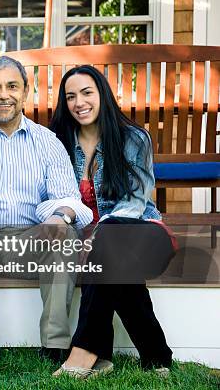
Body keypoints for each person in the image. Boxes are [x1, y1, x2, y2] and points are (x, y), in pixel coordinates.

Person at [0, 56, 93, 365]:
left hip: (33, 239)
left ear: (25, 91)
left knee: (65, 232)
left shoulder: (48, 142)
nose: (3, 95)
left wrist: (61, 214)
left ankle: (54, 344)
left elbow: (68, 198)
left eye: (12, 86)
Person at [50, 65, 174, 379]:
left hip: (141, 230)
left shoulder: (133, 138)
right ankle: (156, 356)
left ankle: (86, 352)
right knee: (111, 260)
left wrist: (98, 234)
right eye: (71, 96)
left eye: (87, 92)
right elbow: (55, 198)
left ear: (103, 95)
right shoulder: (60, 143)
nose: (79, 102)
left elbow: (134, 202)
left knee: (108, 242)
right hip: (97, 244)